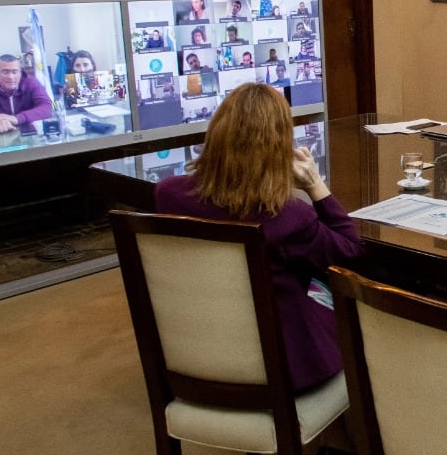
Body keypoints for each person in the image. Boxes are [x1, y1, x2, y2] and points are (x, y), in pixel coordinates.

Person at [154, 83, 364, 392]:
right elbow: (350, 253)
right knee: (355, 304)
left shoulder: (167, 194)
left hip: (199, 348)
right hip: (283, 367)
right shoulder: (289, 217)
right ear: (279, 146)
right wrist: (316, 186)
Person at [0, 55, 53, 134]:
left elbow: (47, 107)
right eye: (5, 72)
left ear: (20, 72)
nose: (11, 77)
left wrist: (17, 118)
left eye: (14, 72)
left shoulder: (31, 82)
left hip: (29, 134)